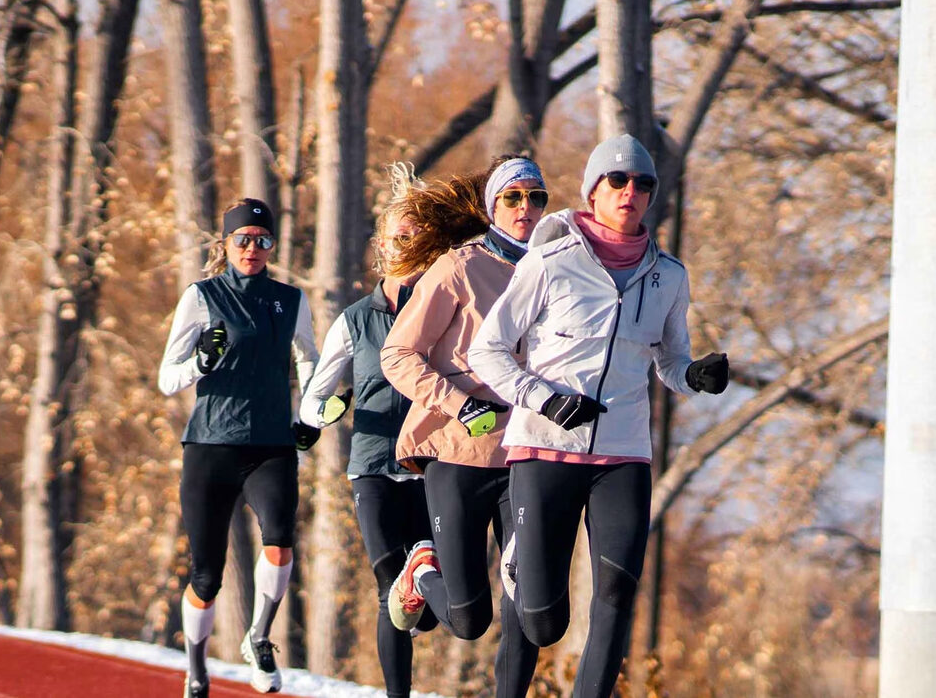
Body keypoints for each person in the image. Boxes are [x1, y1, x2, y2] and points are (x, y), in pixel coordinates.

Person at [466, 134, 730, 698]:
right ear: (592, 190)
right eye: (618, 181)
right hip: (544, 447)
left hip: (624, 453)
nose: (630, 192)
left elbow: (670, 358)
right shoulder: (549, 261)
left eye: (643, 184)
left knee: (617, 589)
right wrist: (543, 398)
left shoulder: (669, 276)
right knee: (543, 622)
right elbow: (486, 350)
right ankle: (521, 562)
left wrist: (693, 376)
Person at [381, 156, 549, 698]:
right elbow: (399, 353)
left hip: (527, 453)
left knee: (527, 595)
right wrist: (458, 403)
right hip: (458, 451)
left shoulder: (557, 268)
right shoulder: (458, 268)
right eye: (513, 197)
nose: (527, 208)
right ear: (491, 206)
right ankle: (421, 574)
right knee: (468, 617)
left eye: (536, 197)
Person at [157, 198, 318, 697]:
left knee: (280, 538)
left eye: (263, 240)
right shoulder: (202, 296)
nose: (253, 248)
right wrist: (200, 366)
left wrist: (305, 416)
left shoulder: (290, 300)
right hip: (210, 446)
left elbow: (310, 358)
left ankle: (259, 635)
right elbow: (167, 379)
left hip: (270, 445)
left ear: (273, 245)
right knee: (206, 576)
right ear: (225, 244)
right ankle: (196, 669)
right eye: (243, 239)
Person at [296, 172, 441, 698]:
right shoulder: (355, 322)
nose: (407, 248)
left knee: (421, 611)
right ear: (382, 247)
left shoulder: (443, 313)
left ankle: (424, 600)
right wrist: (327, 409)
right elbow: (315, 397)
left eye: (417, 239)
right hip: (373, 468)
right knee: (389, 589)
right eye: (399, 239)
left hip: (430, 470)